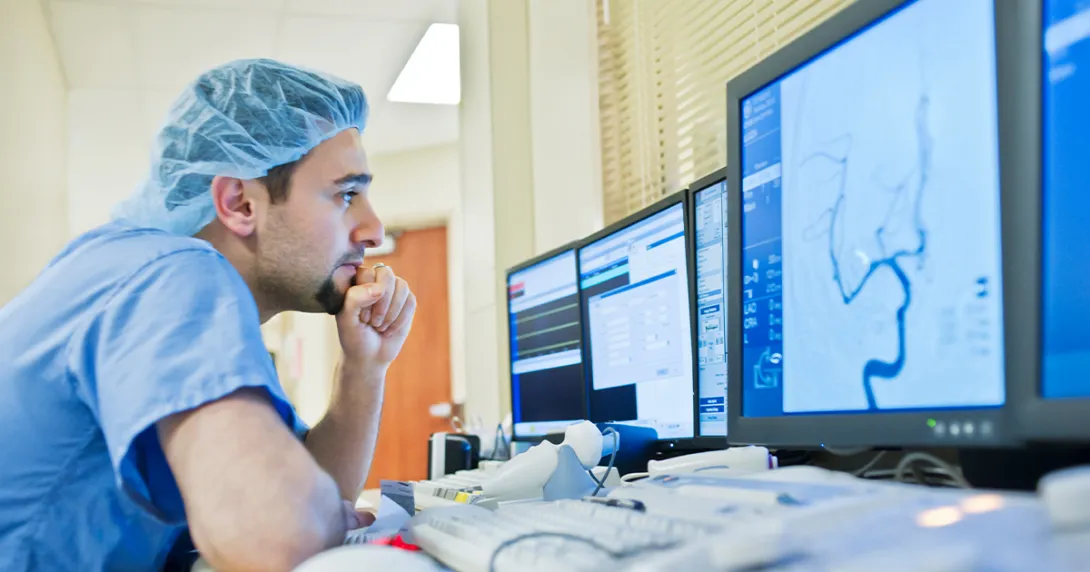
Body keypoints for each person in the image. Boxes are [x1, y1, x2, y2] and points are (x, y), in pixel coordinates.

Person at [0, 59, 415, 571]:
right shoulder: (174, 272)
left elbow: (312, 486)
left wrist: (364, 369)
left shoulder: (136, 271)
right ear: (239, 203)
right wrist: (312, 515)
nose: (374, 229)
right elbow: (277, 535)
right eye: (346, 194)